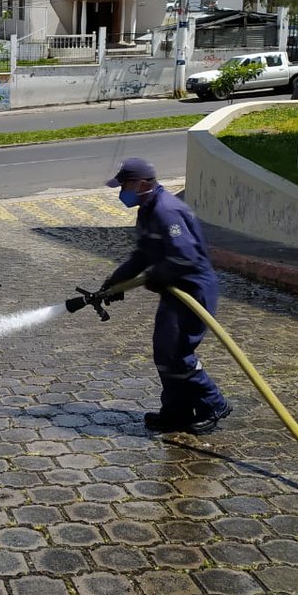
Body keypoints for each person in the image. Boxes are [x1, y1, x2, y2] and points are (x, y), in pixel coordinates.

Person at [100, 157, 231, 435]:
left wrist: (159, 275)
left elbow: (185, 257)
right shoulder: (147, 211)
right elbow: (143, 255)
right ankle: (176, 413)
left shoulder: (166, 211)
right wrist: (115, 282)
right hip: (175, 291)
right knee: (164, 351)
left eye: (124, 186)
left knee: (177, 353)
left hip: (193, 289)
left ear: (141, 184)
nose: (122, 192)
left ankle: (213, 404)